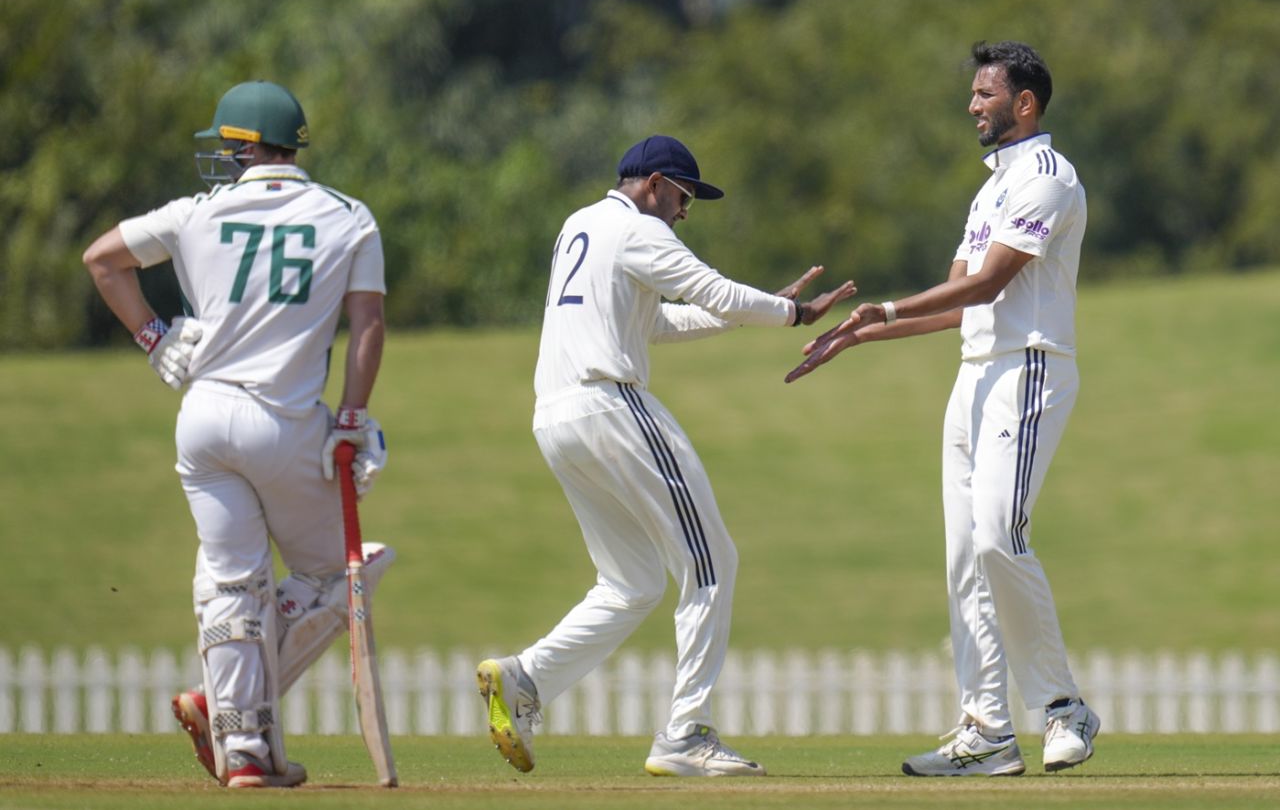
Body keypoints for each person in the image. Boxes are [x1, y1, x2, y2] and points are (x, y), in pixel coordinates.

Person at [477, 135, 855, 777]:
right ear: (653, 183)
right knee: (712, 563)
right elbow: (715, 290)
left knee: (633, 582)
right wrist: (791, 312)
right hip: (610, 405)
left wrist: (747, 313)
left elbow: (656, 322)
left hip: (556, 416)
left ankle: (526, 678)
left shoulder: (580, 226)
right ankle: (686, 734)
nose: (684, 211)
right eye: (682, 196)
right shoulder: (637, 232)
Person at [786, 41, 1100, 776]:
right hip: (975, 374)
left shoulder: (1049, 179)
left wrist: (885, 306)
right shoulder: (988, 192)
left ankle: (1063, 708)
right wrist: (868, 331)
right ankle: (988, 730)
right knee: (965, 558)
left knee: (997, 535)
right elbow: (960, 306)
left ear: (1024, 103)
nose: (972, 106)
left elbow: (987, 286)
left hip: (1029, 369)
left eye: (986, 94)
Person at [82, 80, 394, 788]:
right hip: (286, 420)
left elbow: (102, 261)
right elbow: (368, 325)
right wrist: (351, 418)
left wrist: (154, 336)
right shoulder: (349, 217)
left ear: (245, 149)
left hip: (204, 420)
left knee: (232, 586)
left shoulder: (196, 213)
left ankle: (244, 748)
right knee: (339, 576)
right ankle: (234, 712)